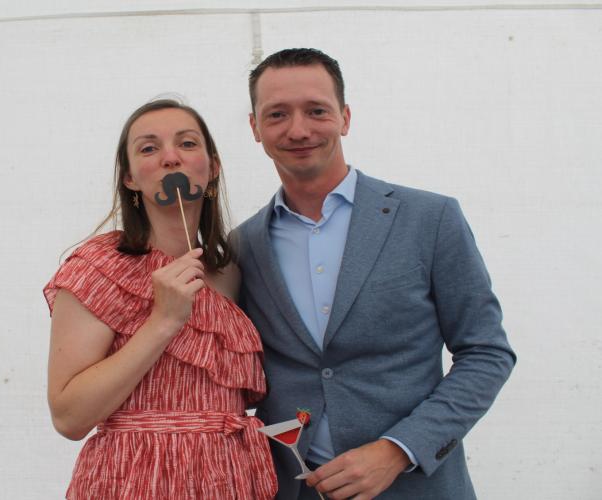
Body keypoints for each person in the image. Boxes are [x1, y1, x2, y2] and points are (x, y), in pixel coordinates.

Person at [233, 48, 516, 499]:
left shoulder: (430, 219)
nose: (298, 129)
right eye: (277, 114)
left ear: (345, 118)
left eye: (316, 110)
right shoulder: (243, 246)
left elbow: (486, 352)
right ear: (255, 128)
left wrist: (399, 449)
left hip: (417, 487)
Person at [44, 99, 277, 499]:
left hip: (229, 480)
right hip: (134, 481)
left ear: (213, 167)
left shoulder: (233, 272)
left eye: (187, 143)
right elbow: (69, 417)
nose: (170, 157)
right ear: (130, 178)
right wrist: (163, 321)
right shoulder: (100, 267)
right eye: (149, 148)